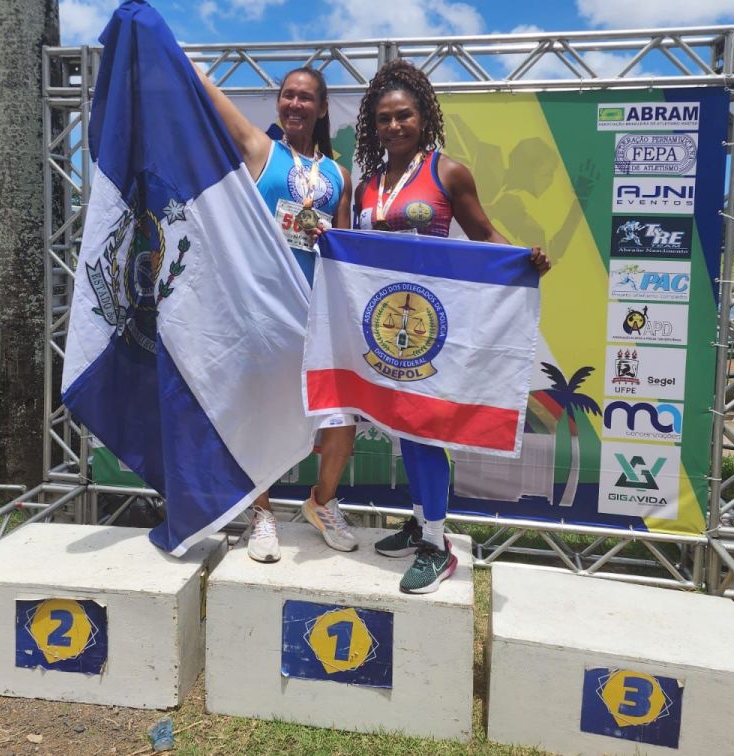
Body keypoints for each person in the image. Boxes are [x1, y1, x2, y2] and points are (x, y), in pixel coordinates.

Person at [349, 59, 551, 594]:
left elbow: (483, 234)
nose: (394, 125)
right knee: (402, 427)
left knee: (424, 431)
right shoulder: (367, 185)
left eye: (404, 115)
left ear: (423, 117)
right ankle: (421, 522)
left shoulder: (448, 172)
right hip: (383, 326)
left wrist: (523, 260)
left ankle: (438, 547)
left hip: (430, 325)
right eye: (384, 118)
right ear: (373, 126)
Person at [194, 62, 359, 562]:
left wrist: (333, 241)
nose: (294, 104)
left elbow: (345, 251)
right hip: (262, 311)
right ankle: (261, 513)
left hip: (318, 314)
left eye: (305, 97)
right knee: (260, 415)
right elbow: (215, 103)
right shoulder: (261, 150)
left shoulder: (339, 176)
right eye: (288, 95)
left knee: (340, 417)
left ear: (322, 108)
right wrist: (184, 63)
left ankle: (322, 503)